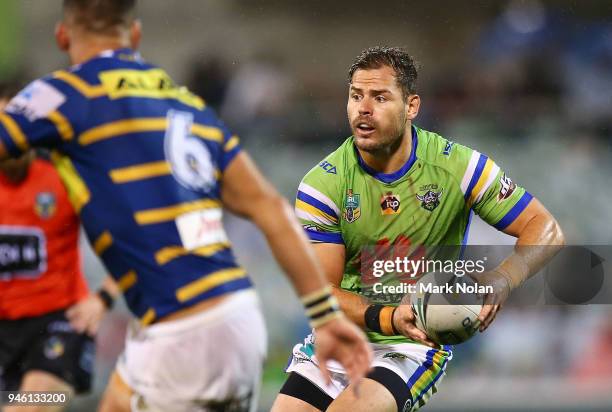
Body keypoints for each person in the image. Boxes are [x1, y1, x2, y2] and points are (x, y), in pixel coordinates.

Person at [0, 1, 372, 411]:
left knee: (29, 405)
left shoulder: (60, 101)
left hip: (139, 330)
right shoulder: (189, 106)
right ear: (136, 35)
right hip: (232, 317)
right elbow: (270, 207)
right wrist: (323, 314)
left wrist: (103, 298)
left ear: (62, 36)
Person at [272, 46, 565, 412]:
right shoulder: (323, 184)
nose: (363, 108)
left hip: (410, 346)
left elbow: (546, 228)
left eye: (379, 97)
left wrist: (505, 278)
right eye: (355, 96)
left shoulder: (460, 168)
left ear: (411, 106)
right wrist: (391, 316)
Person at [0, 83, 119, 412]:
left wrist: (103, 297)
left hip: (59, 324)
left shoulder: (63, 176)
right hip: (4, 330)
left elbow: (129, 238)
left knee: (30, 405)